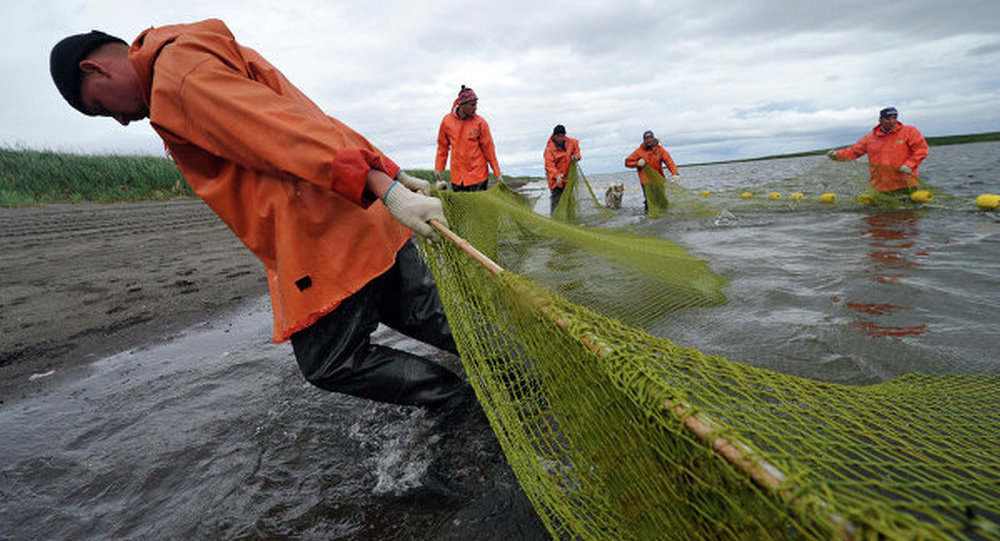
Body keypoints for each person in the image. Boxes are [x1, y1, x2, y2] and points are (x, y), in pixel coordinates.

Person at [49, 19, 472, 410]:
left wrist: (383, 185)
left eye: (103, 108)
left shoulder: (174, 79)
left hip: (323, 235)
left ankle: (458, 403)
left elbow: (282, 133)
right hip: (360, 217)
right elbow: (309, 119)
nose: (121, 120)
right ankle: (520, 376)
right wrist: (387, 174)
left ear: (95, 69)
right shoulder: (189, 54)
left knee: (329, 360)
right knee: (432, 318)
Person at [827, 107, 929, 193]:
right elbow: (853, 152)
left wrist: (909, 164)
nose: (892, 121)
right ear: (880, 120)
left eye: (894, 118)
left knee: (909, 216)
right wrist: (836, 155)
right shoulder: (870, 138)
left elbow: (921, 150)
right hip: (880, 186)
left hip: (905, 183)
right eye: (888, 119)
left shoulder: (909, 131)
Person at [434, 85, 502, 192]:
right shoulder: (447, 121)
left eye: (476, 104)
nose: (475, 108)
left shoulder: (480, 123)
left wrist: (497, 173)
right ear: (462, 105)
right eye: (472, 105)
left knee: (478, 208)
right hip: (457, 178)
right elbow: (442, 147)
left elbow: (489, 149)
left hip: (478, 176)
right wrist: (439, 167)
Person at [624, 130, 679, 212]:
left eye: (650, 138)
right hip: (646, 182)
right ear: (644, 140)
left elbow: (669, 161)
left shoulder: (660, 150)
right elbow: (627, 162)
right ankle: (648, 216)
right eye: (647, 139)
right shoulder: (639, 151)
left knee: (662, 201)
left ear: (653, 138)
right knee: (649, 202)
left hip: (658, 180)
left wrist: (675, 173)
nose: (649, 140)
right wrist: (637, 163)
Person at [543, 124, 581, 213]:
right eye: (558, 137)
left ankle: (570, 219)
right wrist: (556, 176)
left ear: (564, 135)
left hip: (568, 179)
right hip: (556, 181)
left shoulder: (571, 142)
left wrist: (577, 156)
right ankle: (554, 220)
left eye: (562, 136)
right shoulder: (549, 149)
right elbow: (549, 165)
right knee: (556, 203)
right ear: (554, 136)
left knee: (569, 202)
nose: (560, 139)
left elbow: (577, 150)